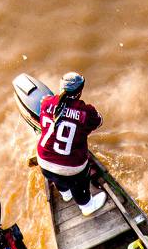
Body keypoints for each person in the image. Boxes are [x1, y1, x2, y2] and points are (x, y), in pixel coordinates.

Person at [37, 72, 106, 217]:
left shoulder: (46, 102)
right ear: (79, 92)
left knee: (57, 177)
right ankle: (87, 206)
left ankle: (66, 194)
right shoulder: (86, 111)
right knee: (78, 182)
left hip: (43, 162)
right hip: (72, 169)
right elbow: (99, 122)